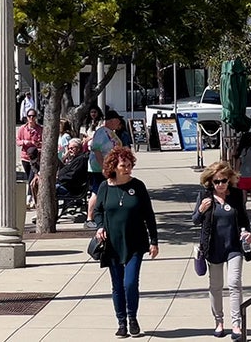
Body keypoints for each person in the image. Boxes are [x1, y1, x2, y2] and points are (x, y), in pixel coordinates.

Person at [93, 147, 158, 338]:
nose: (127, 169)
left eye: (130, 165)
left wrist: (154, 241)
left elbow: (149, 215)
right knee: (117, 285)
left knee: (130, 283)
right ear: (114, 166)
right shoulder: (105, 187)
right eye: (123, 165)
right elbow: (98, 211)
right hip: (112, 243)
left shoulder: (138, 186)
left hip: (136, 243)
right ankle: (121, 322)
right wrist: (99, 227)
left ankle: (132, 318)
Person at [192, 160, 251, 340]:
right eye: (216, 181)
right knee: (216, 286)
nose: (220, 184)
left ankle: (236, 324)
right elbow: (195, 220)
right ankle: (219, 321)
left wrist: (248, 234)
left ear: (229, 180)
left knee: (234, 283)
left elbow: (243, 219)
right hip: (213, 247)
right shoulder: (205, 196)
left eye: (223, 180)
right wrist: (201, 210)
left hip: (233, 246)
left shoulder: (236, 195)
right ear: (210, 181)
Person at [84, 111, 122, 229]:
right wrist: (103, 167)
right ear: (111, 120)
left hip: (109, 166)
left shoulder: (110, 132)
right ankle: (89, 218)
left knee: (107, 190)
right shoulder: (102, 132)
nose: (119, 122)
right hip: (99, 168)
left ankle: (107, 215)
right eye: (117, 120)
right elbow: (96, 149)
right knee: (97, 191)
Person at [232, 131, 251, 228]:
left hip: (242, 177)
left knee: (243, 200)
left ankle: (243, 219)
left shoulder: (241, 151)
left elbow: (236, 168)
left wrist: (235, 181)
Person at [16, 109, 43, 180]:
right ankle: (32, 191)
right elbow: (18, 141)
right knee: (29, 178)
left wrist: (38, 144)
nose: (31, 118)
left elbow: (44, 142)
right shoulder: (22, 128)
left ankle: (30, 191)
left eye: (33, 116)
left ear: (36, 117)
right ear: (27, 117)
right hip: (25, 157)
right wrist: (24, 142)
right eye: (29, 116)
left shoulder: (40, 129)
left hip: (36, 158)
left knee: (32, 178)